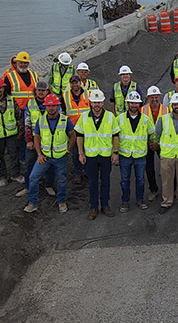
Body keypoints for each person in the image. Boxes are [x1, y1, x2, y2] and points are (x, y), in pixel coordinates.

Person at [24, 94, 75, 214]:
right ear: (45, 107)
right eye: (49, 106)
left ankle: (61, 201)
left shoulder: (65, 120)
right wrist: (39, 154)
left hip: (60, 157)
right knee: (33, 178)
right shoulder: (40, 121)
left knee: (61, 180)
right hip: (45, 157)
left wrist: (68, 150)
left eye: (53, 106)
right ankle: (33, 203)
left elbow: (72, 135)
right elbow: (37, 137)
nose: (51, 108)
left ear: (57, 106)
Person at [76, 89, 120, 219]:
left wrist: (115, 152)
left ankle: (105, 206)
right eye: (94, 102)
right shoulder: (84, 117)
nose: (96, 104)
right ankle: (93, 207)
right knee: (93, 182)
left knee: (106, 181)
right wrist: (81, 153)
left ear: (103, 102)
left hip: (106, 155)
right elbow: (79, 135)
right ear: (90, 102)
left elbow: (115, 135)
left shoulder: (110, 117)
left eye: (99, 102)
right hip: (90, 156)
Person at [154, 93, 178, 213]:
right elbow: (157, 135)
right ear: (171, 105)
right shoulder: (162, 119)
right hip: (167, 155)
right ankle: (166, 202)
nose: (177, 106)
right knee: (166, 180)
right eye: (175, 104)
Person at [19, 80, 55, 198]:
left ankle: (48, 185)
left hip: (48, 139)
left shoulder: (53, 103)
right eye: (39, 90)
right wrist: (29, 140)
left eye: (43, 90)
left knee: (50, 164)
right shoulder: (30, 104)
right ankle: (28, 187)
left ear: (47, 91)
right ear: (35, 91)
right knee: (29, 163)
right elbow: (27, 123)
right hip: (34, 139)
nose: (41, 92)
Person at [118, 91, 151, 212]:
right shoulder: (119, 119)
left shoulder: (146, 119)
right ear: (127, 103)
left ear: (140, 105)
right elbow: (114, 136)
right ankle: (125, 201)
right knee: (125, 180)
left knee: (140, 179)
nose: (134, 105)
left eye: (136, 103)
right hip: (125, 155)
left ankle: (140, 200)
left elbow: (152, 134)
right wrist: (114, 152)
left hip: (140, 155)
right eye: (131, 102)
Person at [140, 86, 167, 202]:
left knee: (166, 168)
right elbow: (140, 128)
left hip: (163, 143)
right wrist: (149, 142)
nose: (154, 99)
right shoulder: (142, 110)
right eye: (152, 97)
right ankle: (153, 190)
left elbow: (168, 129)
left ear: (159, 97)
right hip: (148, 143)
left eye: (156, 97)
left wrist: (159, 143)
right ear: (148, 98)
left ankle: (168, 190)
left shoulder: (166, 110)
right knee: (149, 168)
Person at [63, 75, 90, 182]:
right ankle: (78, 173)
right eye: (73, 83)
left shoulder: (88, 94)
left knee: (88, 151)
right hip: (73, 130)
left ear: (80, 83)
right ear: (70, 85)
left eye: (77, 82)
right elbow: (63, 113)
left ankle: (87, 172)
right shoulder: (65, 96)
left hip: (87, 128)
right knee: (75, 153)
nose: (75, 85)